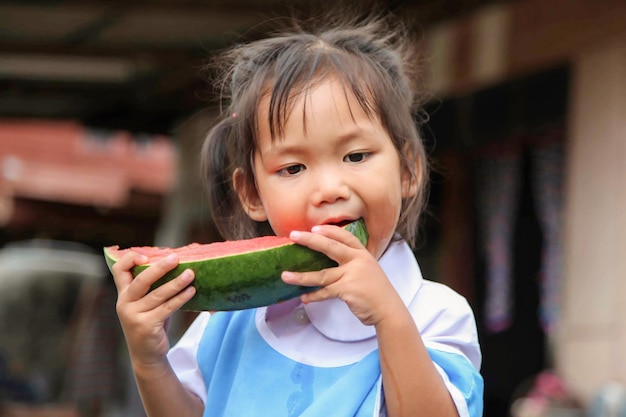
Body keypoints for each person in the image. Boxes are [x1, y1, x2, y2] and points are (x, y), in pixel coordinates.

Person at [112, 10, 484, 417]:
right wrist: (149, 362)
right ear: (252, 194)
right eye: (293, 168)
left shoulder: (434, 314)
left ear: (408, 169)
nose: (329, 190)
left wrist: (388, 317)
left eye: (356, 155)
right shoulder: (230, 320)